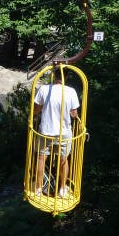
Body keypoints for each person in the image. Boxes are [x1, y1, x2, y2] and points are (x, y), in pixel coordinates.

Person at [34, 66, 80, 198]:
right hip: (64, 133)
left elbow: (37, 109)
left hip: (46, 131)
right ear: (66, 77)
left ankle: (38, 188)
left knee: (41, 158)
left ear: (54, 76)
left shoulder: (44, 89)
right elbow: (74, 114)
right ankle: (62, 189)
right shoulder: (71, 91)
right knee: (63, 160)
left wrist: (32, 116)